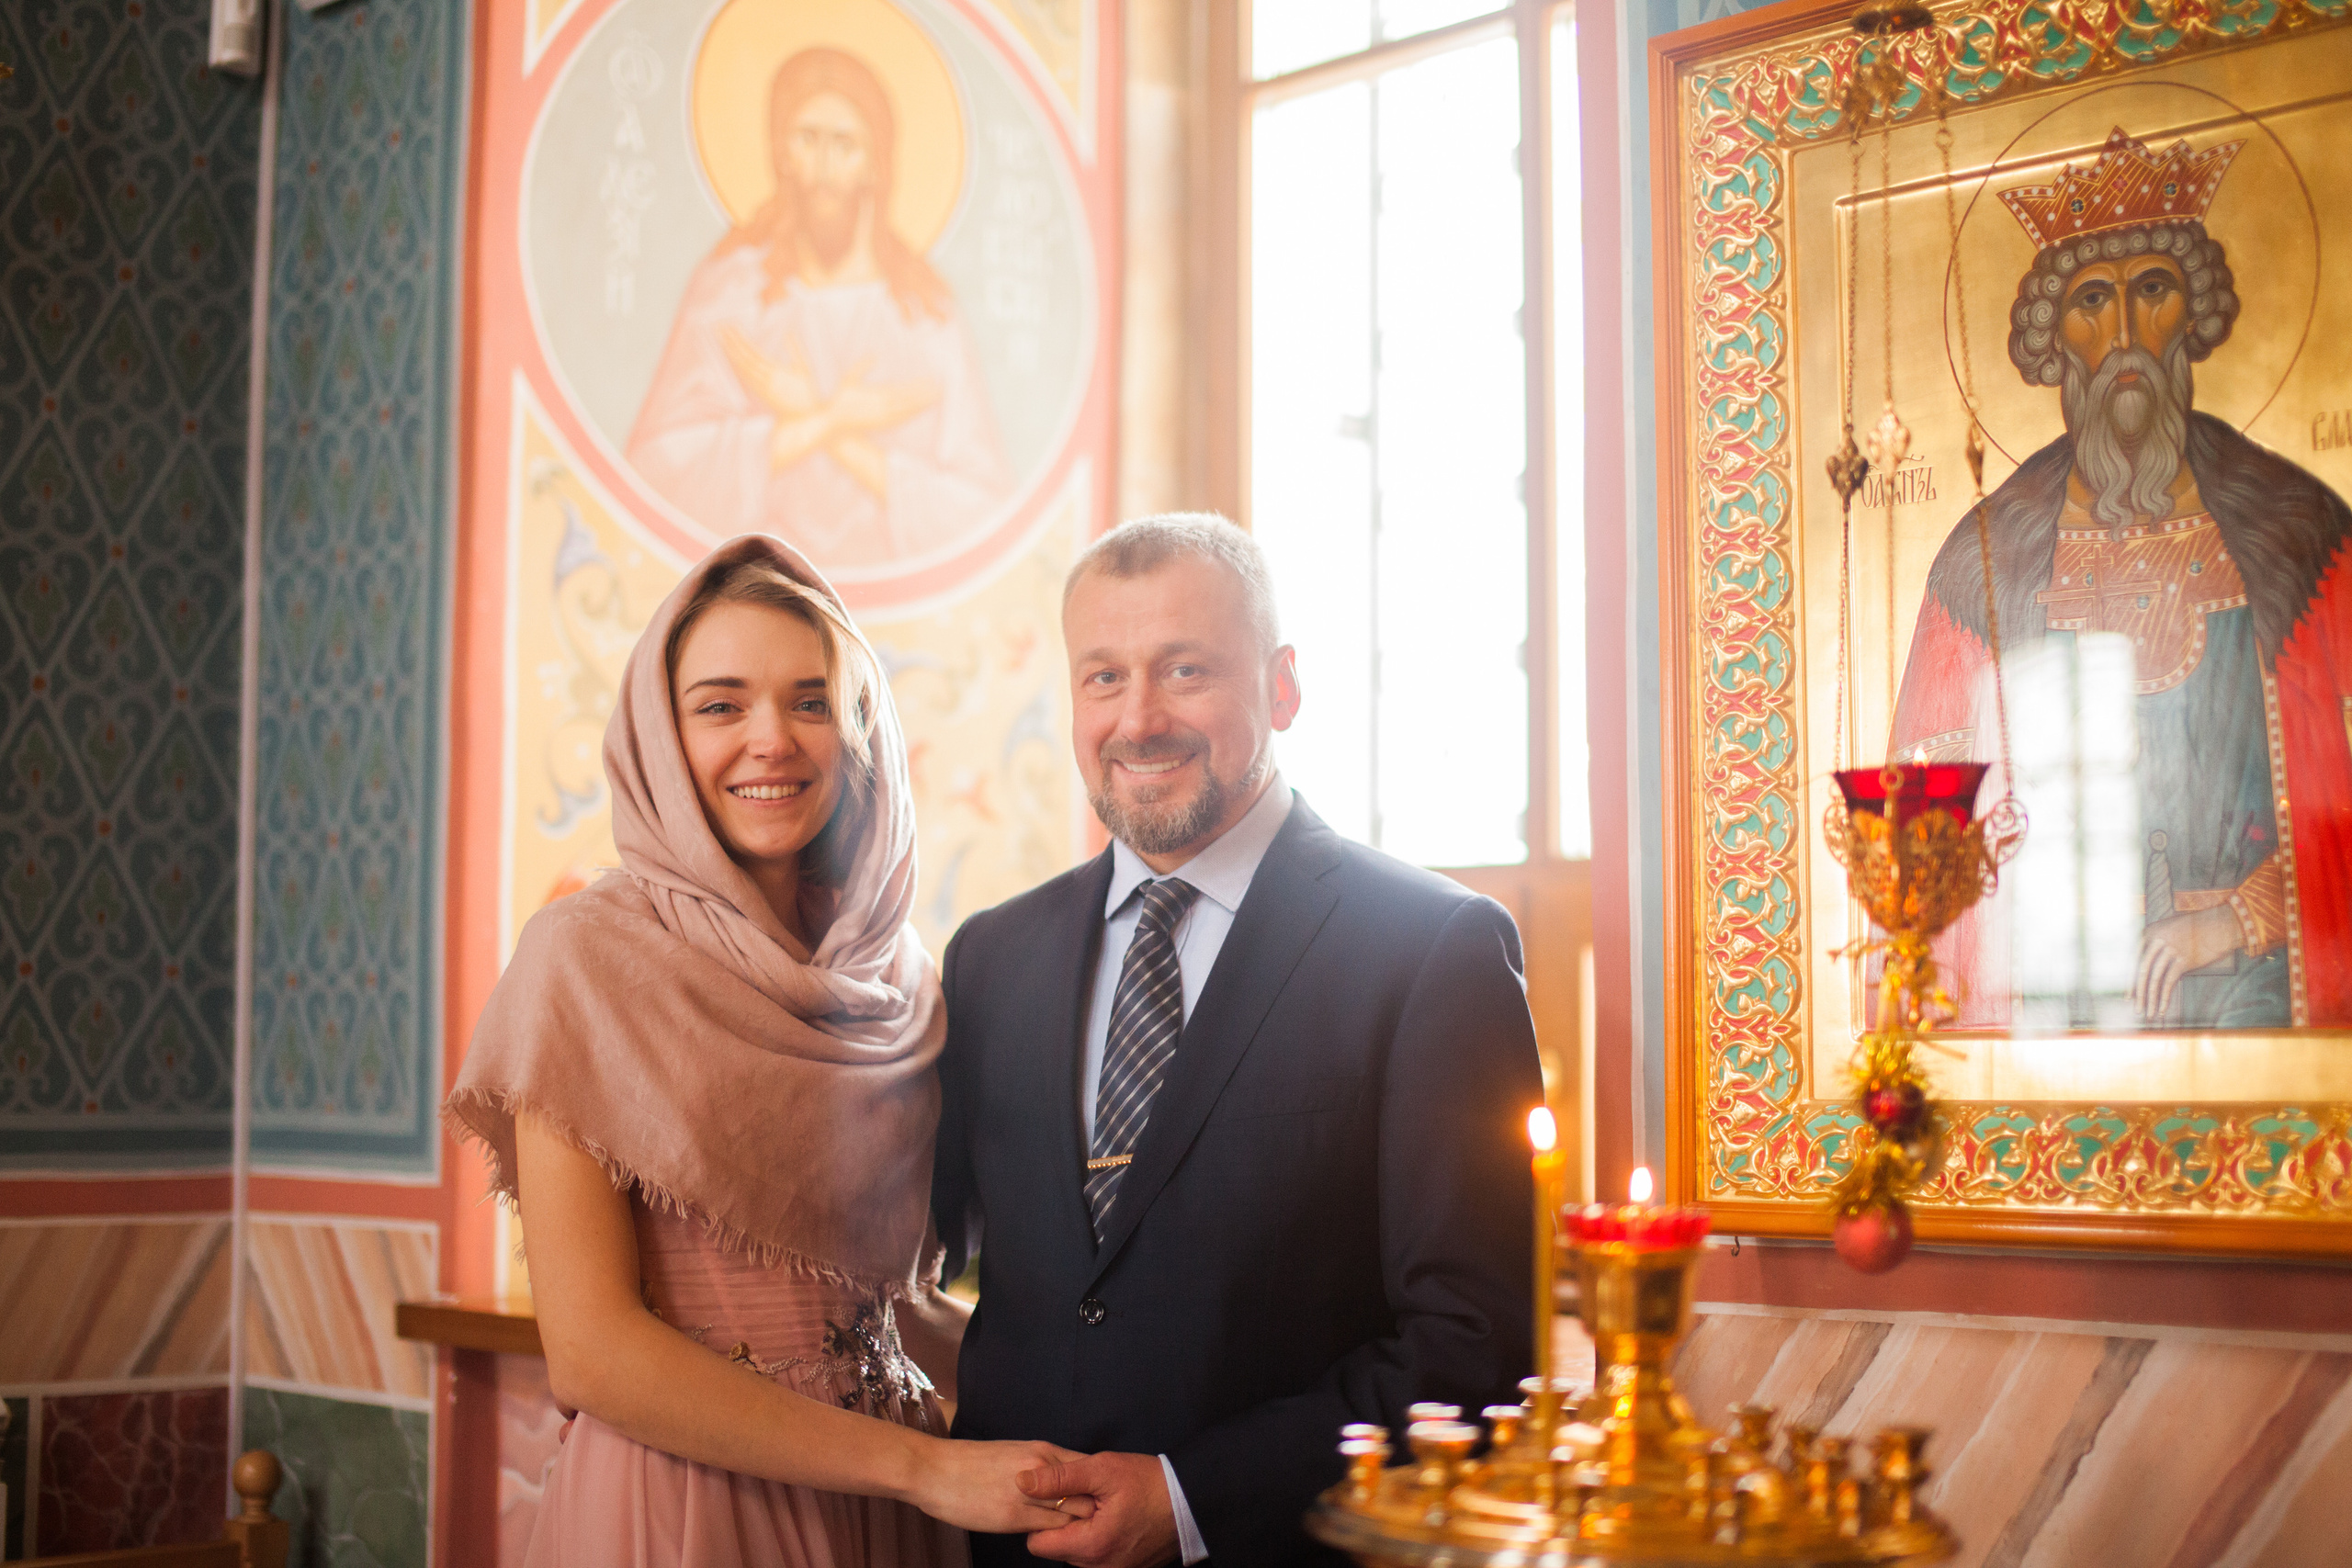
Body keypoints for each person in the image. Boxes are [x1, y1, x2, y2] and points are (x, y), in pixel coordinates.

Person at [447, 536, 1085, 1566]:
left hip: (888, 1508)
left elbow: (876, 1305)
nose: (771, 740)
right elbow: (592, 1354)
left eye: (811, 701)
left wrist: (1118, 1407)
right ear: (661, 737)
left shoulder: (899, 980)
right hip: (689, 1506)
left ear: (858, 729)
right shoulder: (583, 959)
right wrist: (922, 1468)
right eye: (720, 705)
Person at [933, 514, 1544, 1568]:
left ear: (1282, 688)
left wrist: (1187, 1501)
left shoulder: (1431, 949)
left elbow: (1473, 1350)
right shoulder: (989, 958)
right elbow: (920, 1267)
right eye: (1103, 678)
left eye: (1185, 670)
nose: (1139, 719)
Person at [1892, 128, 2352, 1030]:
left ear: (2192, 314)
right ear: (2053, 338)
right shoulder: (1983, 561)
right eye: (2092, 301)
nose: (2126, 336)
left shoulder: (2299, 534)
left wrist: (2237, 920)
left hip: (2257, 992)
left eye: (2153, 290)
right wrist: (1986, 843)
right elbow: (1921, 827)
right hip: (2055, 1003)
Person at [628, 49, 1012, 570]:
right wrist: (829, 419)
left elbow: (980, 510)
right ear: (782, 152)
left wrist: (822, 423)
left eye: (845, 144)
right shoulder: (731, 292)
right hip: (754, 586)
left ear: (875, 163)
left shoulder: (925, 314)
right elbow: (659, 468)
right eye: (807, 138)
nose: (825, 166)